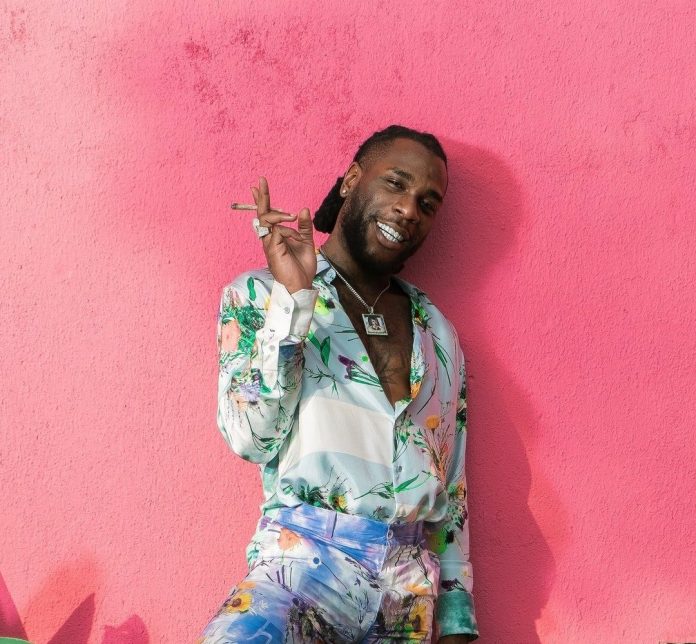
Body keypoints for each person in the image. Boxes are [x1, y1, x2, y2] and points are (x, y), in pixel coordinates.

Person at [200, 125, 478, 643]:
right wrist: (295, 302)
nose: (409, 209)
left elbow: (452, 484)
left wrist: (458, 620)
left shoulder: (438, 334)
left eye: (427, 203)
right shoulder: (259, 295)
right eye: (395, 183)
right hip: (304, 567)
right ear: (352, 179)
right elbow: (250, 437)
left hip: (407, 598)